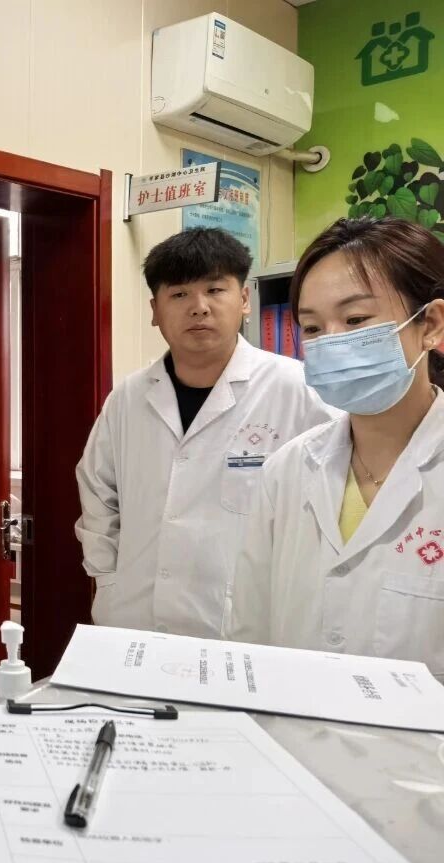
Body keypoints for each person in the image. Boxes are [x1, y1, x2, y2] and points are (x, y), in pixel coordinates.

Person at [75, 227, 331, 639]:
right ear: (155, 310)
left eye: (215, 290)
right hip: (134, 619)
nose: (199, 308)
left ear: (244, 299)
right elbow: (97, 493)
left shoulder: (299, 391)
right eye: (179, 294)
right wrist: (107, 578)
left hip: (244, 627)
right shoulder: (128, 398)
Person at [228, 217, 444, 678]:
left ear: (430, 324)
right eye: (312, 328)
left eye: (356, 320)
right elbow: (249, 632)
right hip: (289, 723)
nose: (331, 342)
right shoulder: (288, 470)